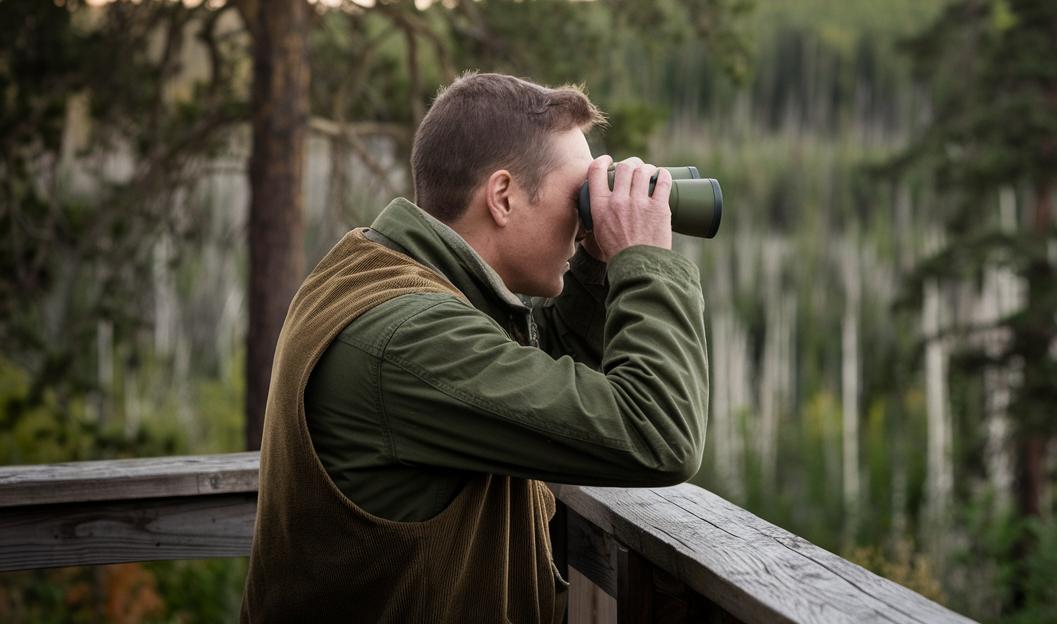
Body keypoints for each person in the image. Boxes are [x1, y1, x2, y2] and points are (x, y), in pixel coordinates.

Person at [240, 73, 709, 623]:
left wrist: (599, 264)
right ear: (503, 197)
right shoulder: (407, 339)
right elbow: (658, 433)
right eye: (578, 198)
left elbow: (531, 378)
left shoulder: (382, 276)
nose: (587, 220)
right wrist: (644, 256)